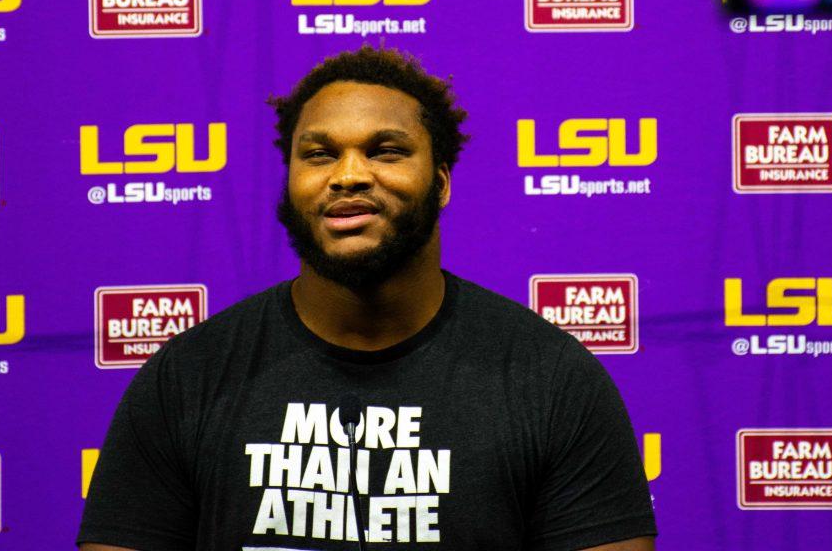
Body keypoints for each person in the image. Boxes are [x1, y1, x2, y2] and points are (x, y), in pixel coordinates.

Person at [77, 46, 657, 551]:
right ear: (291, 182)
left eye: (386, 150)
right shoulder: (189, 377)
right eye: (319, 154)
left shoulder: (551, 382)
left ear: (442, 181)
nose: (349, 175)